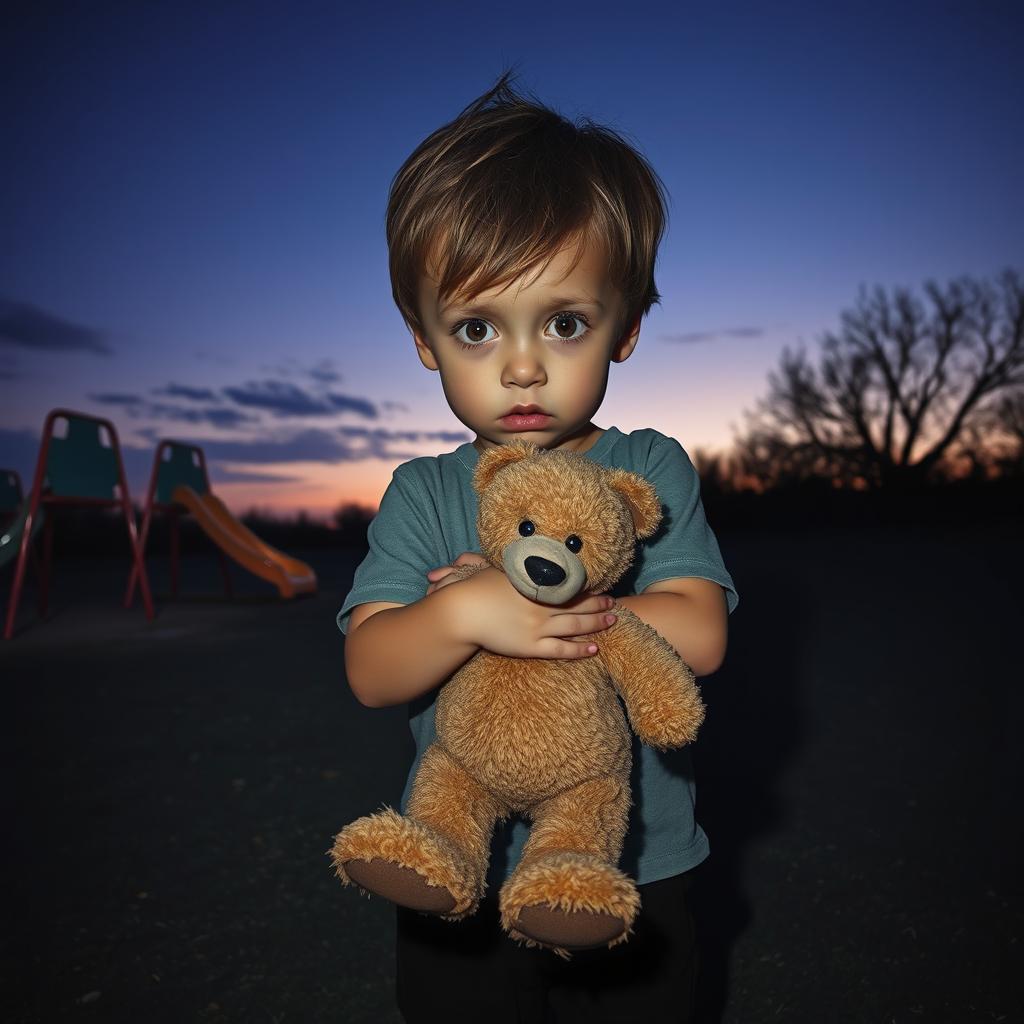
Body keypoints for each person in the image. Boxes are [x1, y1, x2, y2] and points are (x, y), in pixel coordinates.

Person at [336, 69, 739, 1024]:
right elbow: (371, 667)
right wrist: (465, 611)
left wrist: (542, 607)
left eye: (564, 322)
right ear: (426, 340)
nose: (523, 366)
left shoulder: (648, 469)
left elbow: (701, 633)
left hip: (634, 861)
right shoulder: (424, 492)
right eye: (476, 327)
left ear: (626, 326)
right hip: (456, 869)